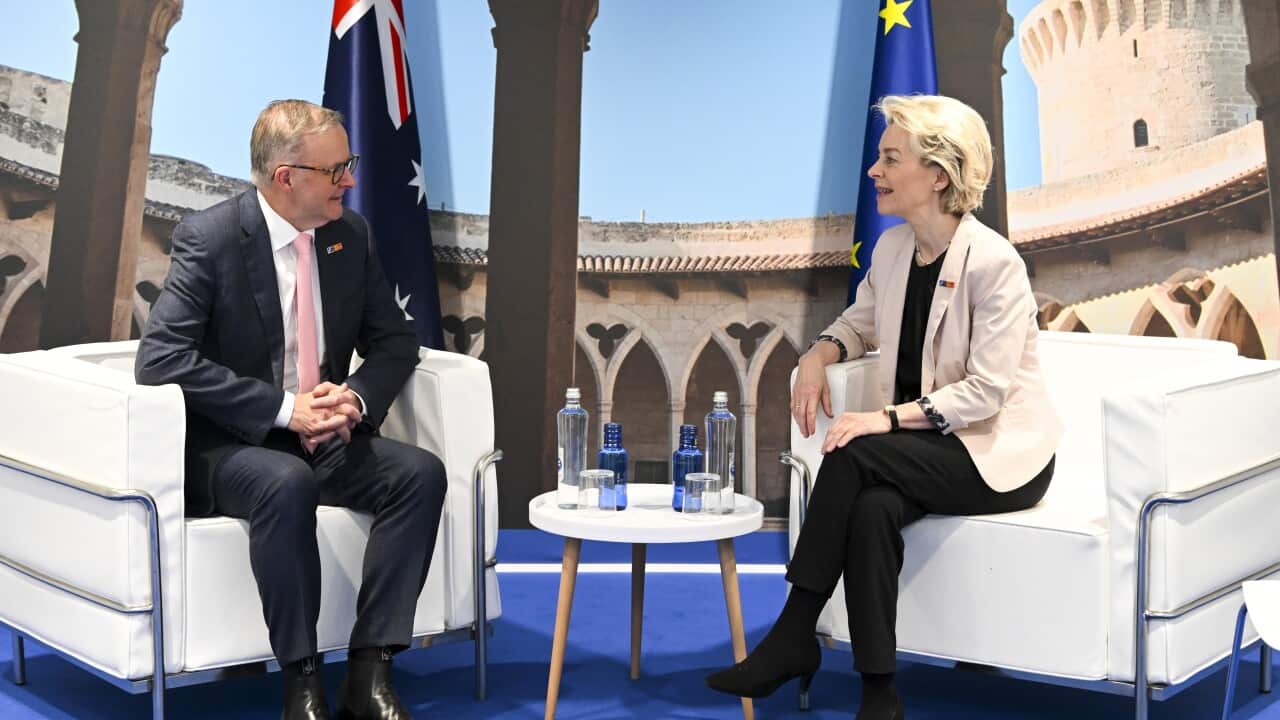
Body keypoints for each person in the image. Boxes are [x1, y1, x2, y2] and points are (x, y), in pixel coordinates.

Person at [705, 94, 1062, 719]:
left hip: (996, 456)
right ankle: (880, 695)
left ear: (939, 176)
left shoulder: (995, 263)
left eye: (890, 158)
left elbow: (985, 392)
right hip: (925, 451)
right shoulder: (894, 250)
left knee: (856, 449)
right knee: (871, 510)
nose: (874, 171)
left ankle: (793, 633)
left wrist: (883, 419)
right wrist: (817, 355)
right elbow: (856, 325)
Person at [136, 99, 447, 720]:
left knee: (419, 473)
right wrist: (283, 410)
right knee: (285, 481)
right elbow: (161, 358)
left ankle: (370, 673)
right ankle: (302, 685)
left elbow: (393, 342)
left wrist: (353, 397)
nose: (351, 181)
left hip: (327, 435)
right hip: (233, 446)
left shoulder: (348, 235)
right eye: (338, 170)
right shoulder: (213, 237)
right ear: (287, 177)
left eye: (349, 165)